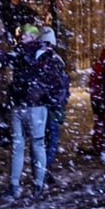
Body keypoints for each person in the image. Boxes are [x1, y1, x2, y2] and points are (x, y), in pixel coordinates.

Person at [3, 24, 66, 200]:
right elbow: (56, 84)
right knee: (33, 146)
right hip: (31, 106)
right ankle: (33, 184)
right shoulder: (41, 56)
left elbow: (55, 84)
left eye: (25, 34)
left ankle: (21, 185)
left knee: (26, 146)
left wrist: (43, 96)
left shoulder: (33, 56)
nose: (21, 37)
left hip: (29, 106)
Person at [39, 26, 71, 180]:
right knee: (51, 137)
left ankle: (42, 168)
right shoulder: (56, 60)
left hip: (43, 104)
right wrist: (60, 101)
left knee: (42, 138)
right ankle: (45, 168)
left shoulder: (37, 58)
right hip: (52, 104)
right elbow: (62, 85)